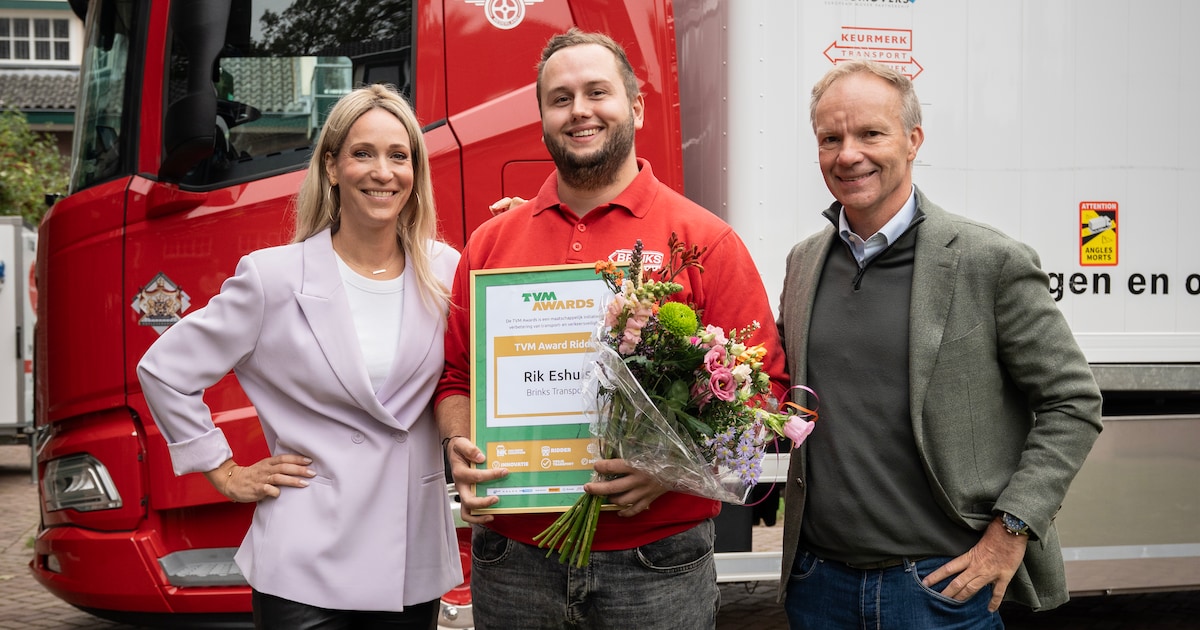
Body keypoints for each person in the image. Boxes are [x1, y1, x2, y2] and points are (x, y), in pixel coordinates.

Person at [435, 29, 789, 630]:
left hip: (658, 563)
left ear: (637, 107)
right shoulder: (492, 244)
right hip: (516, 557)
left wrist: (668, 469)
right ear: (543, 117)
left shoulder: (703, 242)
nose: (579, 110)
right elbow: (455, 377)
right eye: (560, 97)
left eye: (597, 92)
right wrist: (457, 445)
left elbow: (766, 398)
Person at [775, 59, 1104, 628]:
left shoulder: (988, 261)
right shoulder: (805, 262)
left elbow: (1073, 404)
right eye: (830, 138)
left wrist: (1011, 530)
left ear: (913, 139)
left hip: (938, 590)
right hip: (818, 585)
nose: (847, 154)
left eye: (870, 133)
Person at [137, 84, 462, 629]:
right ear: (332, 166)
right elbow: (164, 370)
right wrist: (223, 471)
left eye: (398, 156)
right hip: (304, 562)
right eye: (363, 153)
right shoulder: (273, 277)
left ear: (415, 172)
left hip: (410, 556)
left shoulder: (447, 270)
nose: (383, 172)